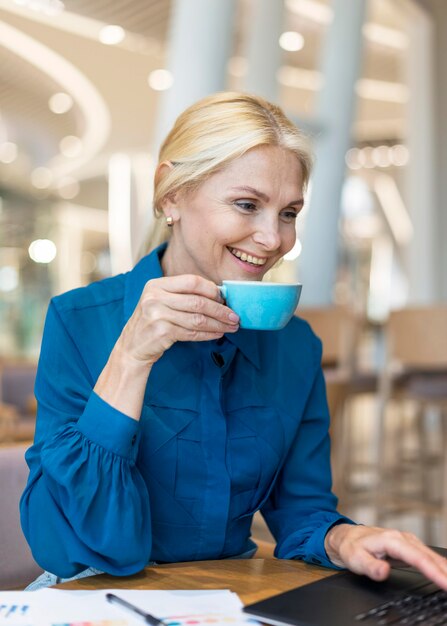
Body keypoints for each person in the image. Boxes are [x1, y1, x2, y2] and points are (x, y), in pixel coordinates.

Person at [21, 92, 447, 590]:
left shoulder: (296, 345)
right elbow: (69, 545)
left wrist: (339, 539)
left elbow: (301, 509)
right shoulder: (79, 321)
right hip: (93, 592)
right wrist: (132, 356)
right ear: (170, 195)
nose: (274, 240)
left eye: (288, 213)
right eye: (247, 205)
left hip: (230, 590)